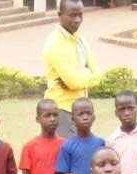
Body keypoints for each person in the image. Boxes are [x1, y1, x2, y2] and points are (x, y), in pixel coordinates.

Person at [41, 0, 96, 133]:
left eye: (80, 15)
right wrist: (87, 72)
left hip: (81, 110)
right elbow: (73, 82)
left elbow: (97, 75)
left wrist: (82, 75)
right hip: (62, 110)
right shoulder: (55, 44)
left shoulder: (80, 41)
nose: (77, 20)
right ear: (60, 14)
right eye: (72, 15)